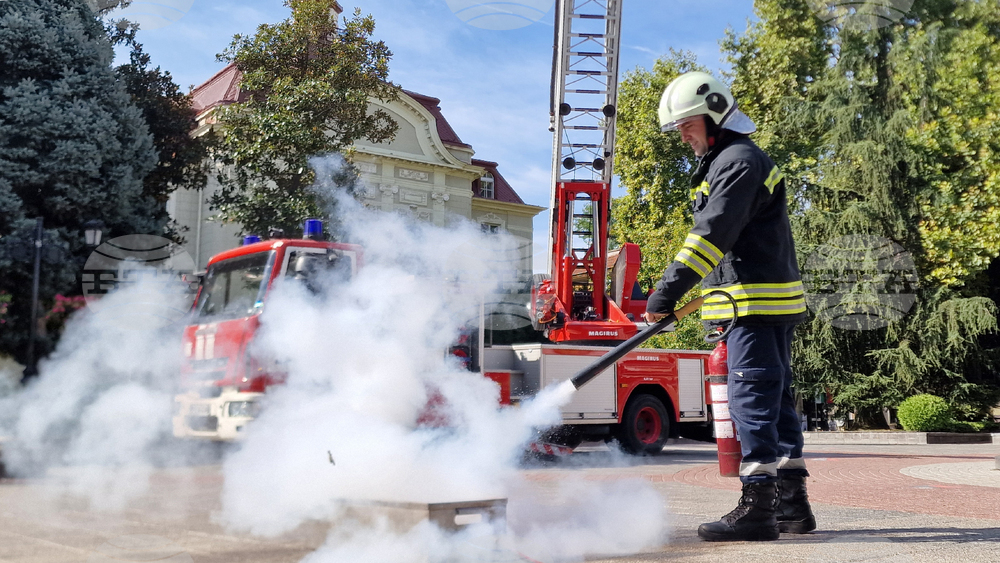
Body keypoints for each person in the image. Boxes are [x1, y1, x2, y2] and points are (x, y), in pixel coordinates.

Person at [643, 71, 814, 541]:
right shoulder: (733, 161)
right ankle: (792, 505)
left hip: (754, 306)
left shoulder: (738, 161)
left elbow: (711, 236)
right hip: (762, 304)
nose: (682, 135)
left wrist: (665, 294)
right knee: (775, 403)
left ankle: (758, 509)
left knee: (751, 403)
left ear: (715, 114)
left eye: (687, 124)